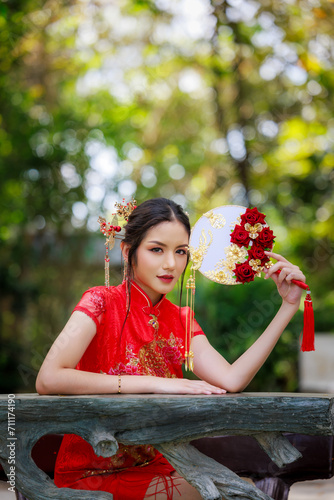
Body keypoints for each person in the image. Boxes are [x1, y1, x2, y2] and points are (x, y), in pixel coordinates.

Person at [36, 197, 306, 500]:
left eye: (181, 252)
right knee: (237, 494)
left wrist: (287, 307)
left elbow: (231, 380)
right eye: (156, 249)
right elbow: (49, 378)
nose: (171, 264)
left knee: (242, 490)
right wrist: (156, 383)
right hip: (93, 471)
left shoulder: (180, 319)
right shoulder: (99, 303)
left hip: (161, 463)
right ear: (128, 252)